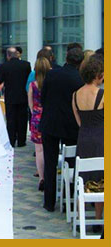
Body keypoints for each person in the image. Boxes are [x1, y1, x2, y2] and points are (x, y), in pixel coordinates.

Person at [40, 47, 84, 212]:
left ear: (66, 58)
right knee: (70, 163)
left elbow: (43, 97)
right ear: (80, 62)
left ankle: (49, 202)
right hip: (70, 126)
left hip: (50, 123)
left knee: (50, 163)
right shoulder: (80, 79)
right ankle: (68, 202)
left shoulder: (52, 74)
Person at [72, 55, 104, 231]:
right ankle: (98, 220)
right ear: (97, 74)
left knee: (82, 179)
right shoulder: (103, 95)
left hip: (83, 139)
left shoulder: (75, 95)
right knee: (100, 179)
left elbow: (79, 121)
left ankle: (80, 219)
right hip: (101, 140)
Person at [0, 47, 31, 147]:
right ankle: (22, 141)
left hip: (10, 96)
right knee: (22, 119)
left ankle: (11, 140)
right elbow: (28, 80)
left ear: (8, 56)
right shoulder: (26, 65)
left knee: (11, 119)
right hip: (23, 96)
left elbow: (1, 81)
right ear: (17, 54)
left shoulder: (4, 66)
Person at [28, 57, 51, 191]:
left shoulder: (33, 85)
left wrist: (35, 112)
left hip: (37, 117)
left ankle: (41, 177)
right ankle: (49, 175)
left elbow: (30, 104)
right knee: (49, 148)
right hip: (48, 116)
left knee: (39, 150)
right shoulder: (51, 83)